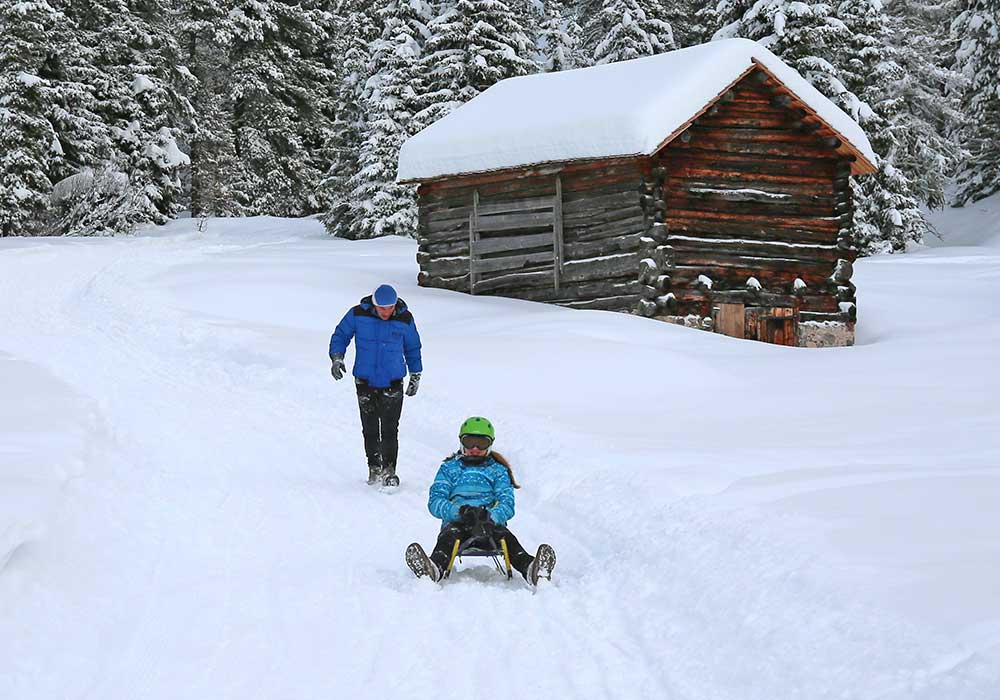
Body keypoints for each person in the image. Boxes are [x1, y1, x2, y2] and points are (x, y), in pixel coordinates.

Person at [405, 417, 556, 585]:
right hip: (458, 524)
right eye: (470, 442)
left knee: (505, 537)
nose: (475, 449)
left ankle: (531, 569)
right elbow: (435, 501)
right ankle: (433, 569)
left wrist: (490, 516)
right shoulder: (449, 468)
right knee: (449, 537)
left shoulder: (497, 470)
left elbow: (507, 503)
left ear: (490, 445)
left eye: (481, 444)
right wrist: (460, 512)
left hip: (489, 526)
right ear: (461, 443)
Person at [329, 284, 422, 487]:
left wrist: (416, 374)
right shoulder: (357, 315)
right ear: (374, 304)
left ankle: (389, 470)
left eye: (390, 308)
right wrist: (337, 357)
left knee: (390, 428)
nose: (386, 312)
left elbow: (413, 347)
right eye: (382, 308)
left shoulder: (405, 319)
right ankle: (374, 467)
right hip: (365, 381)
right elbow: (341, 335)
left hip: (393, 381)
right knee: (370, 428)